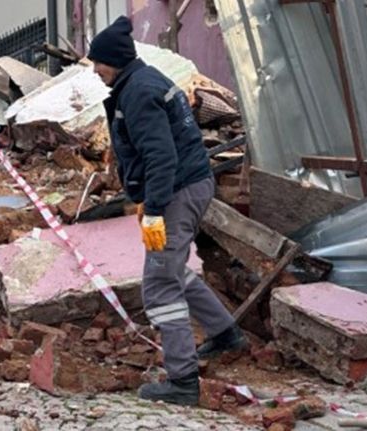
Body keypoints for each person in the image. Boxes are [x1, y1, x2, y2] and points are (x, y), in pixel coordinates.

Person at [88, 16, 248, 406]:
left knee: (159, 284)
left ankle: (182, 380)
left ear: (117, 60)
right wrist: (148, 197)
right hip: (185, 187)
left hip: (178, 191)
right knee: (172, 268)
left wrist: (156, 208)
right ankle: (225, 333)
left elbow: (161, 156)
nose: (95, 70)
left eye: (99, 63)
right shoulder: (143, 81)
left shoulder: (139, 92)